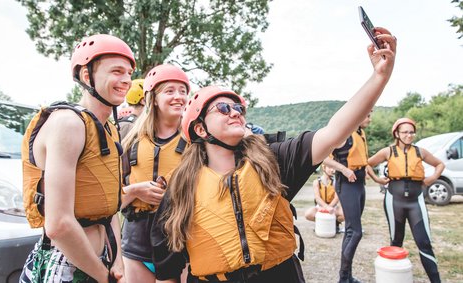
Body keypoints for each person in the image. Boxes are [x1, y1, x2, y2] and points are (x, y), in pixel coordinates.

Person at [151, 27, 396, 283]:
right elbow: (168, 272)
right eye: (223, 108)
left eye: (238, 108)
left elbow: (333, 132)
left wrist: (379, 77)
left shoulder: (273, 160)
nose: (235, 112)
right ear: (200, 129)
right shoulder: (180, 188)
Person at [20, 34, 135, 282]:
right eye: (116, 71)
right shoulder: (68, 124)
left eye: (128, 73)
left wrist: (117, 262)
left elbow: (109, 207)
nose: (126, 80)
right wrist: (103, 277)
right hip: (66, 266)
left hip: (104, 262)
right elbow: (58, 224)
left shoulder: (109, 129)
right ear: (86, 75)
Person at [120, 64, 190, 283]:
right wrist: (134, 191)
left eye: (183, 91)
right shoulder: (130, 139)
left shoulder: (196, 142)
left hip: (178, 236)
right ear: (153, 99)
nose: (179, 97)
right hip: (136, 237)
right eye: (169, 91)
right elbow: (108, 202)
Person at [367, 118, 444, 283]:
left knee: (424, 242)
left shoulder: (420, 152)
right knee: (396, 241)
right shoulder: (388, 151)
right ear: (397, 134)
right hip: (394, 200)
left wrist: (432, 178)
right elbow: (367, 164)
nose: (409, 135)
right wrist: (377, 179)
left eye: (411, 132)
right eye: (405, 132)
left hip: (416, 201)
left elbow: (439, 165)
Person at [323, 112, 372, 283]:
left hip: (359, 184)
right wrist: (344, 169)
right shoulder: (344, 134)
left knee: (351, 231)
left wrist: (367, 171)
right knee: (355, 232)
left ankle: (346, 277)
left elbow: (362, 158)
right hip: (347, 183)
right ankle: (343, 278)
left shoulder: (360, 133)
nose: (369, 118)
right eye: (367, 115)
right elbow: (323, 157)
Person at [304, 164, 345, 229]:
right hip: (320, 207)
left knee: (344, 214)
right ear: (324, 167)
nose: (333, 170)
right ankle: (320, 223)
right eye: (330, 167)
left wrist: (329, 207)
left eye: (334, 168)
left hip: (333, 207)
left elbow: (336, 198)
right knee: (308, 214)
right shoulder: (316, 182)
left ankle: (335, 223)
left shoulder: (336, 182)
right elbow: (317, 198)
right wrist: (325, 207)